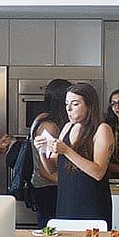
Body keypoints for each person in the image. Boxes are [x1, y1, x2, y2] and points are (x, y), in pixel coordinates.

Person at [35, 83, 114, 228]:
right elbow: (51, 168)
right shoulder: (67, 127)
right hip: (66, 201)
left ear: (89, 106)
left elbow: (98, 172)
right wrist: (42, 151)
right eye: (66, 104)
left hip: (92, 203)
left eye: (75, 104)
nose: (69, 109)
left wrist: (67, 151)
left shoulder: (102, 129)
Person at [28, 78, 71, 228]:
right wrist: (68, 183)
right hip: (47, 187)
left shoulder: (43, 118)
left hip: (47, 186)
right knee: (49, 230)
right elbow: (45, 170)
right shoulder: (49, 127)